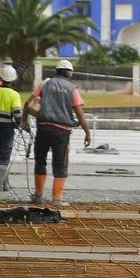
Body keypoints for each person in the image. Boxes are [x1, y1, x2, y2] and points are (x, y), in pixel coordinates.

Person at [25, 59, 92, 206]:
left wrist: (24, 122)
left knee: (40, 162)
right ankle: (56, 199)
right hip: (61, 132)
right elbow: (80, 114)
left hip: (43, 129)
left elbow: (28, 103)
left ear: (56, 71)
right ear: (69, 73)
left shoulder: (44, 84)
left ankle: (38, 196)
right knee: (60, 165)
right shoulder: (71, 88)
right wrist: (87, 133)